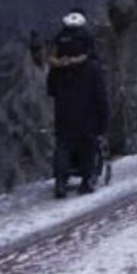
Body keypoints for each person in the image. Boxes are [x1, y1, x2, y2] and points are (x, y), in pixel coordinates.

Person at [46, 11, 110, 198]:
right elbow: (101, 96)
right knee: (87, 145)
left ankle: (60, 182)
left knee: (63, 145)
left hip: (63, 111)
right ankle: (87, 181)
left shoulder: (57, 66)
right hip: (87, 113)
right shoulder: (92, 66)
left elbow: (51, 89)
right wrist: (103, 122)